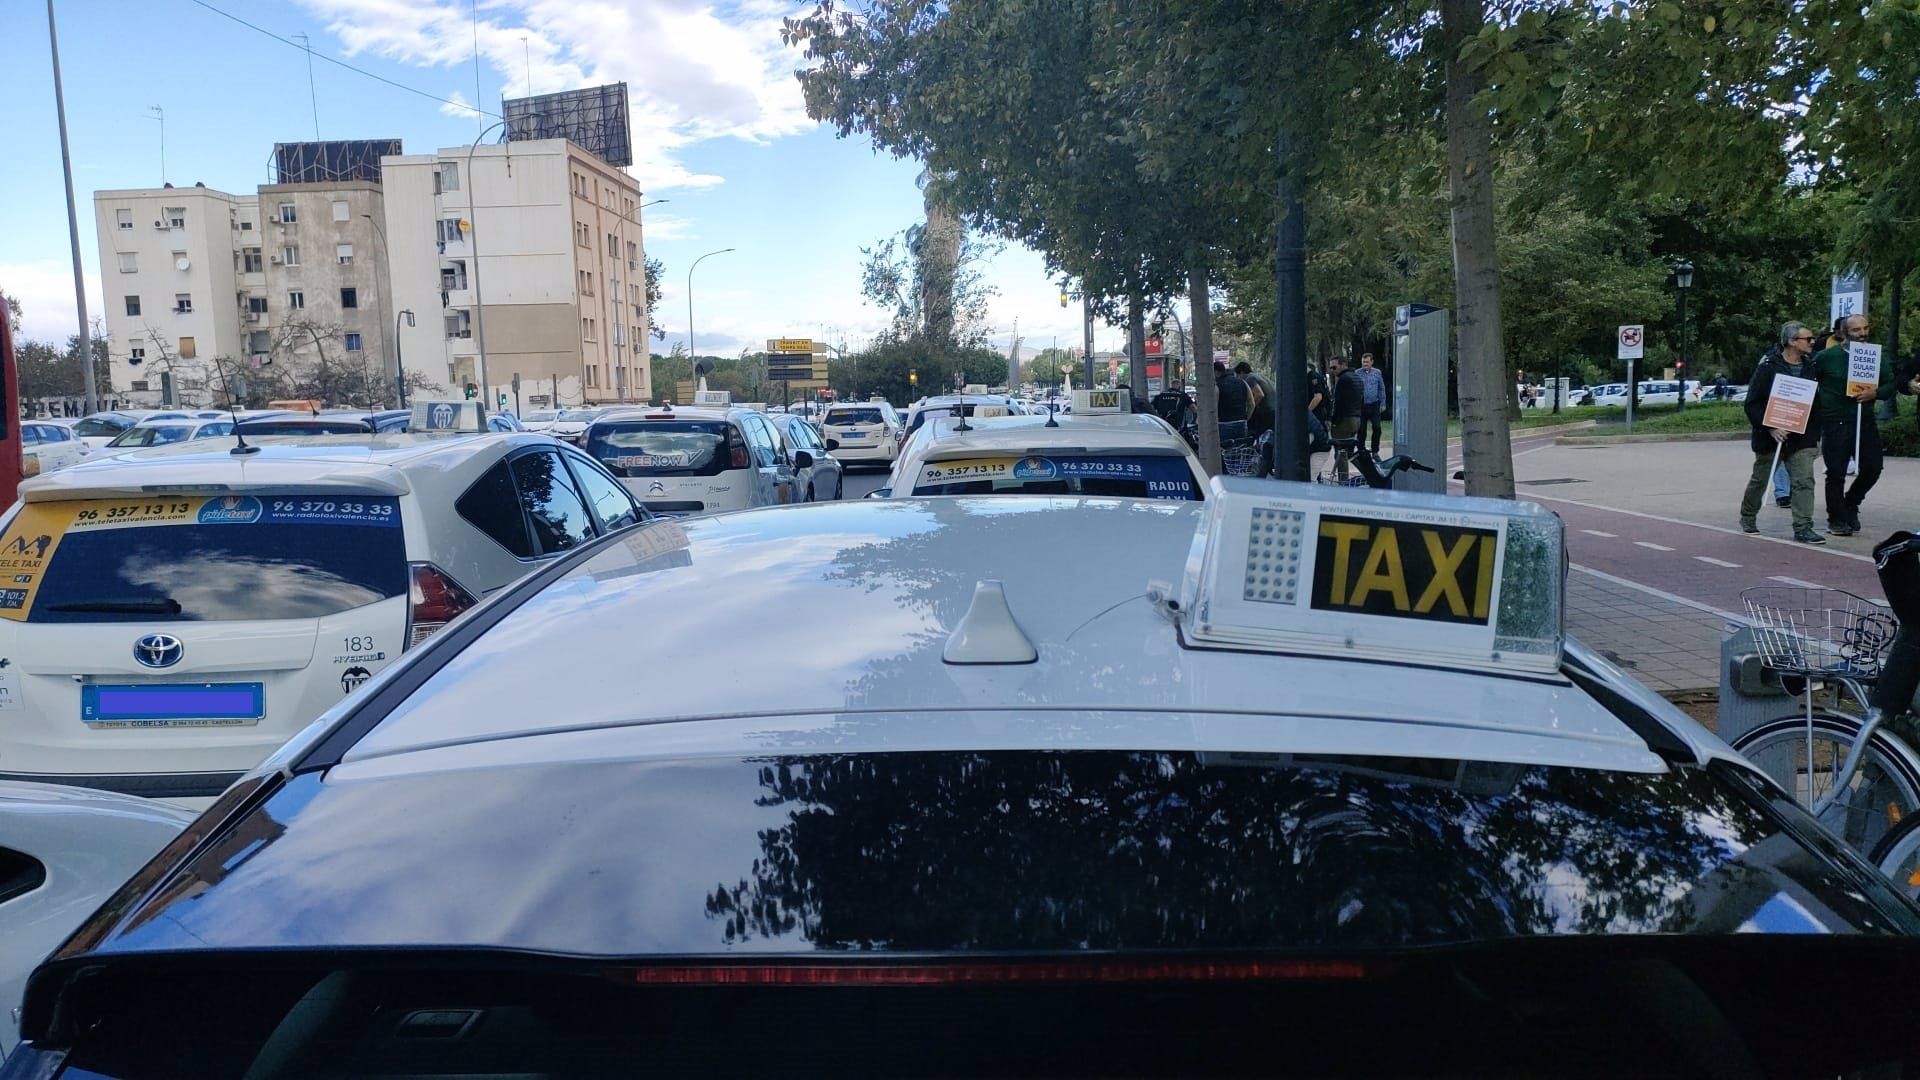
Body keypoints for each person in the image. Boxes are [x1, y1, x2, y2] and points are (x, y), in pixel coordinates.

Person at [1741, 322, 1824, 544]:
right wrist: (1770, 427)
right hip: (1771, 437)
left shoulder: (1812, 367)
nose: (1812, 343)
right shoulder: (1768, 367)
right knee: (1761, 479)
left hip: (1801, 436)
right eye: (1808, 339)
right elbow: (1752, 403)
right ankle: (1748, 516)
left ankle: (1803, 527)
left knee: (1804, 481)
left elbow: (1816, 402)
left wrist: (1816, 434)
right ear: (1792, 341)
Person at [1811, 313, 1890, 536]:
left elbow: (1890, 383)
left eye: (1865, 328)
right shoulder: (1827, 357)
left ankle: (1851, 502)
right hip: (1835, 421)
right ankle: (1836, 519)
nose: (1862, 333)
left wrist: (1875, 393)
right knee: (1836, 472)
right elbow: (1809, 380)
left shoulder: (1876, 356)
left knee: (1873, 467)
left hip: (1865, 421)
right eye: (1856, 330)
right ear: (1843, 333)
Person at [1327, 356, 1366, 483]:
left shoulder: (1343, 379)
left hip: (1344, 421)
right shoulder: (1357, 378)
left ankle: (1343, 481)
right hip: (1356, 419)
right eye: (1331, 368)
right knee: (1350, 452)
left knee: (1340, 452)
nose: (1332, 370)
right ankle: (1369, 473)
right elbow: (1362, 400)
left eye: (1334, 367)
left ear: (1343, 364)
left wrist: (1332, 420)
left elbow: (1338, 403)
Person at [1355, 353, 1386, 453]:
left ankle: (1375, 450)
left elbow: (1381, 388)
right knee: (1361, 430)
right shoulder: (1357, 373)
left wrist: (1383, 403)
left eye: (1367, 362)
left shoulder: (1377, 372)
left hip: (1374, 404)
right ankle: (1361, 450)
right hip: (1361, 406)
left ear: (1372, 362)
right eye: (1363, 362)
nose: (1365, 364)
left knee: (1377, 428)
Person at [1235, 361, 1274, 441]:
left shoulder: (1249, 379)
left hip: (1266, 411)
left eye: (1238, 376)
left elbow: (1259, 395)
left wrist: (1251, 409)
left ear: (1242, 373)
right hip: (1273, 409)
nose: (1238, 378)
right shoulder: (1259, 375)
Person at [1214, 360, 1250, 444]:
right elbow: (1252, 403)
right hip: (1241, 423)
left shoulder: (1217, 386)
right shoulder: (1242, 382)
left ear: (1216, 372)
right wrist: (1245, 419)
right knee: (1240, 449)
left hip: (1224, 424)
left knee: (1225, 449)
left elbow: (1214, 407)